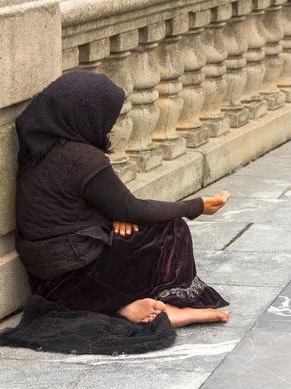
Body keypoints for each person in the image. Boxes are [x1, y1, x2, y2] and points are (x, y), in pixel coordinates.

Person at [14, 70, 230, 328]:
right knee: (172, 229)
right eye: (109, 114)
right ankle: (171, 305)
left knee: (132, 229)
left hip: (48, 285)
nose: (114, 123)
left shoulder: (37, 151)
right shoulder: (81, 158)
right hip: (81, 274)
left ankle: (123, 305)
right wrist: (195, 206)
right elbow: (134, 208)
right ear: (87, 113)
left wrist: (115, 214)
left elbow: (78, 207)